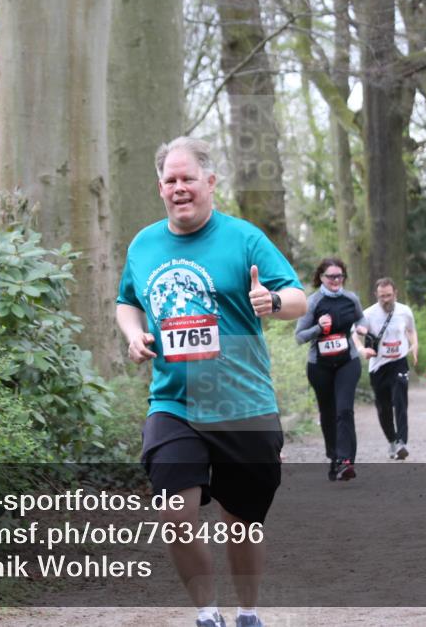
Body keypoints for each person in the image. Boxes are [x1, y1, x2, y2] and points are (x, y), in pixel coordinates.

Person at [116, 136, 306, 627]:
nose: (179, 187)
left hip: (241, 401)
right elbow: (127, 301)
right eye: (170, 180)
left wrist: (272, 302)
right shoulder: (143, 245)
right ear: (160, 188)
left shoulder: (244, 238)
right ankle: (207, 614)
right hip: (173, 401)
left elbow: (298, 298)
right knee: (174, 514)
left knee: (242, 523)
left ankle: (247, 613)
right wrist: (134, 335)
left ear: (210, 182)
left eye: (188, 178)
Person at [294, 257, 366, 481]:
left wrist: (362, 328)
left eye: (339, 276)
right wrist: (318, 328)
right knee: (328, 413)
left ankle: (346, 461)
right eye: (331, 276)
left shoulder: (351, 299)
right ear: (321, 278)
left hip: (347, 362)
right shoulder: (313, 302)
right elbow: (299, 336)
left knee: (344, 410)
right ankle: (334, 457)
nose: (336, 280)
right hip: (320, 366)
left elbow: (361, 319)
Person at [356, 278, 418, 461]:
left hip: (399, 361)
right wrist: (362, 349)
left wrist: (414, 345)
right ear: (376, 295)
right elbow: (354, 333)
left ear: (395, 294)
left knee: (400, 401)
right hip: (378, 366)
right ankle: (392, 440)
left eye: (389, 295)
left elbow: (411, 330)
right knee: (383, 408)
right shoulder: (368, 314)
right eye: (382, 296)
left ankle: (402, 443)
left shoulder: (405, 311)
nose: (386, 300)